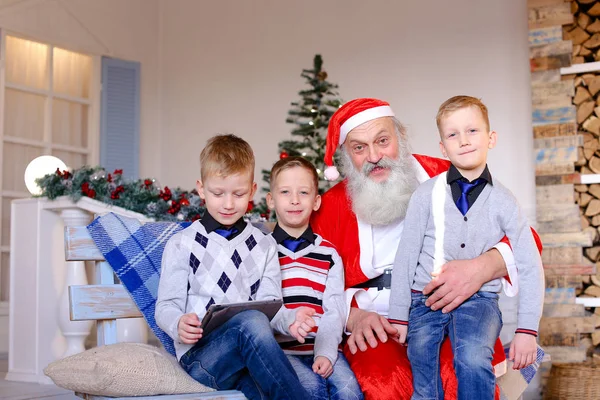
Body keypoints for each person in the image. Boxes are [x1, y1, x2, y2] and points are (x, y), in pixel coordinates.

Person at [310, 98, 542, 400]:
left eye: (382, 141)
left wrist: (480, 268)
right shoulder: (330, 206)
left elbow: (529, 242)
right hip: (376, 321)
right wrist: (352, 315)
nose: (374, 156)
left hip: (451, 308)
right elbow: (308, 282)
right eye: (359, 148)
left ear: (400, 138)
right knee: (383, 382)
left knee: (461, 373)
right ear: (346, 156)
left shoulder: (447, 174)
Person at [388, 95, 544, 399]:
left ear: (491, 138)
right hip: (426, 299)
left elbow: (529, 263)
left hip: (480, 299)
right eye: (452, 134)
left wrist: (527, 330)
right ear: (443, 147)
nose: (464, 140)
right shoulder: (425, 194)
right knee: (421, 356)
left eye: (472, 130)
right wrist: (398, 316)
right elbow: (406, 255)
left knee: (472, 356)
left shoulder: (504, 200)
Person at [155, 134, 314, 400]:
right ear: (201, 189)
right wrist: (177, 323)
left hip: (247, 362)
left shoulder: (264, 245)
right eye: (218, 193)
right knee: (251, 321)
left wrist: (291, 321)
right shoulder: (182, 244)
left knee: (265, 387)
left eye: (238, 194)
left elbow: (271, 306)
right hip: (202, 360)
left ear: (252, 191)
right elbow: (166, 306)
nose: (228, 204)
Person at [266, 156, 364, 400]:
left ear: (316, 201)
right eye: (285, 192)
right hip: (282, 352)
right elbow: (263, 305)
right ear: (271, 200)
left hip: (325, 345)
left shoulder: (328, 254)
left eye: (304, 192)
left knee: (349, 390)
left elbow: (334, 310)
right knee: (310, 389)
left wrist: (325, 353)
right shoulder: (262, 250)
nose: (295, 200)